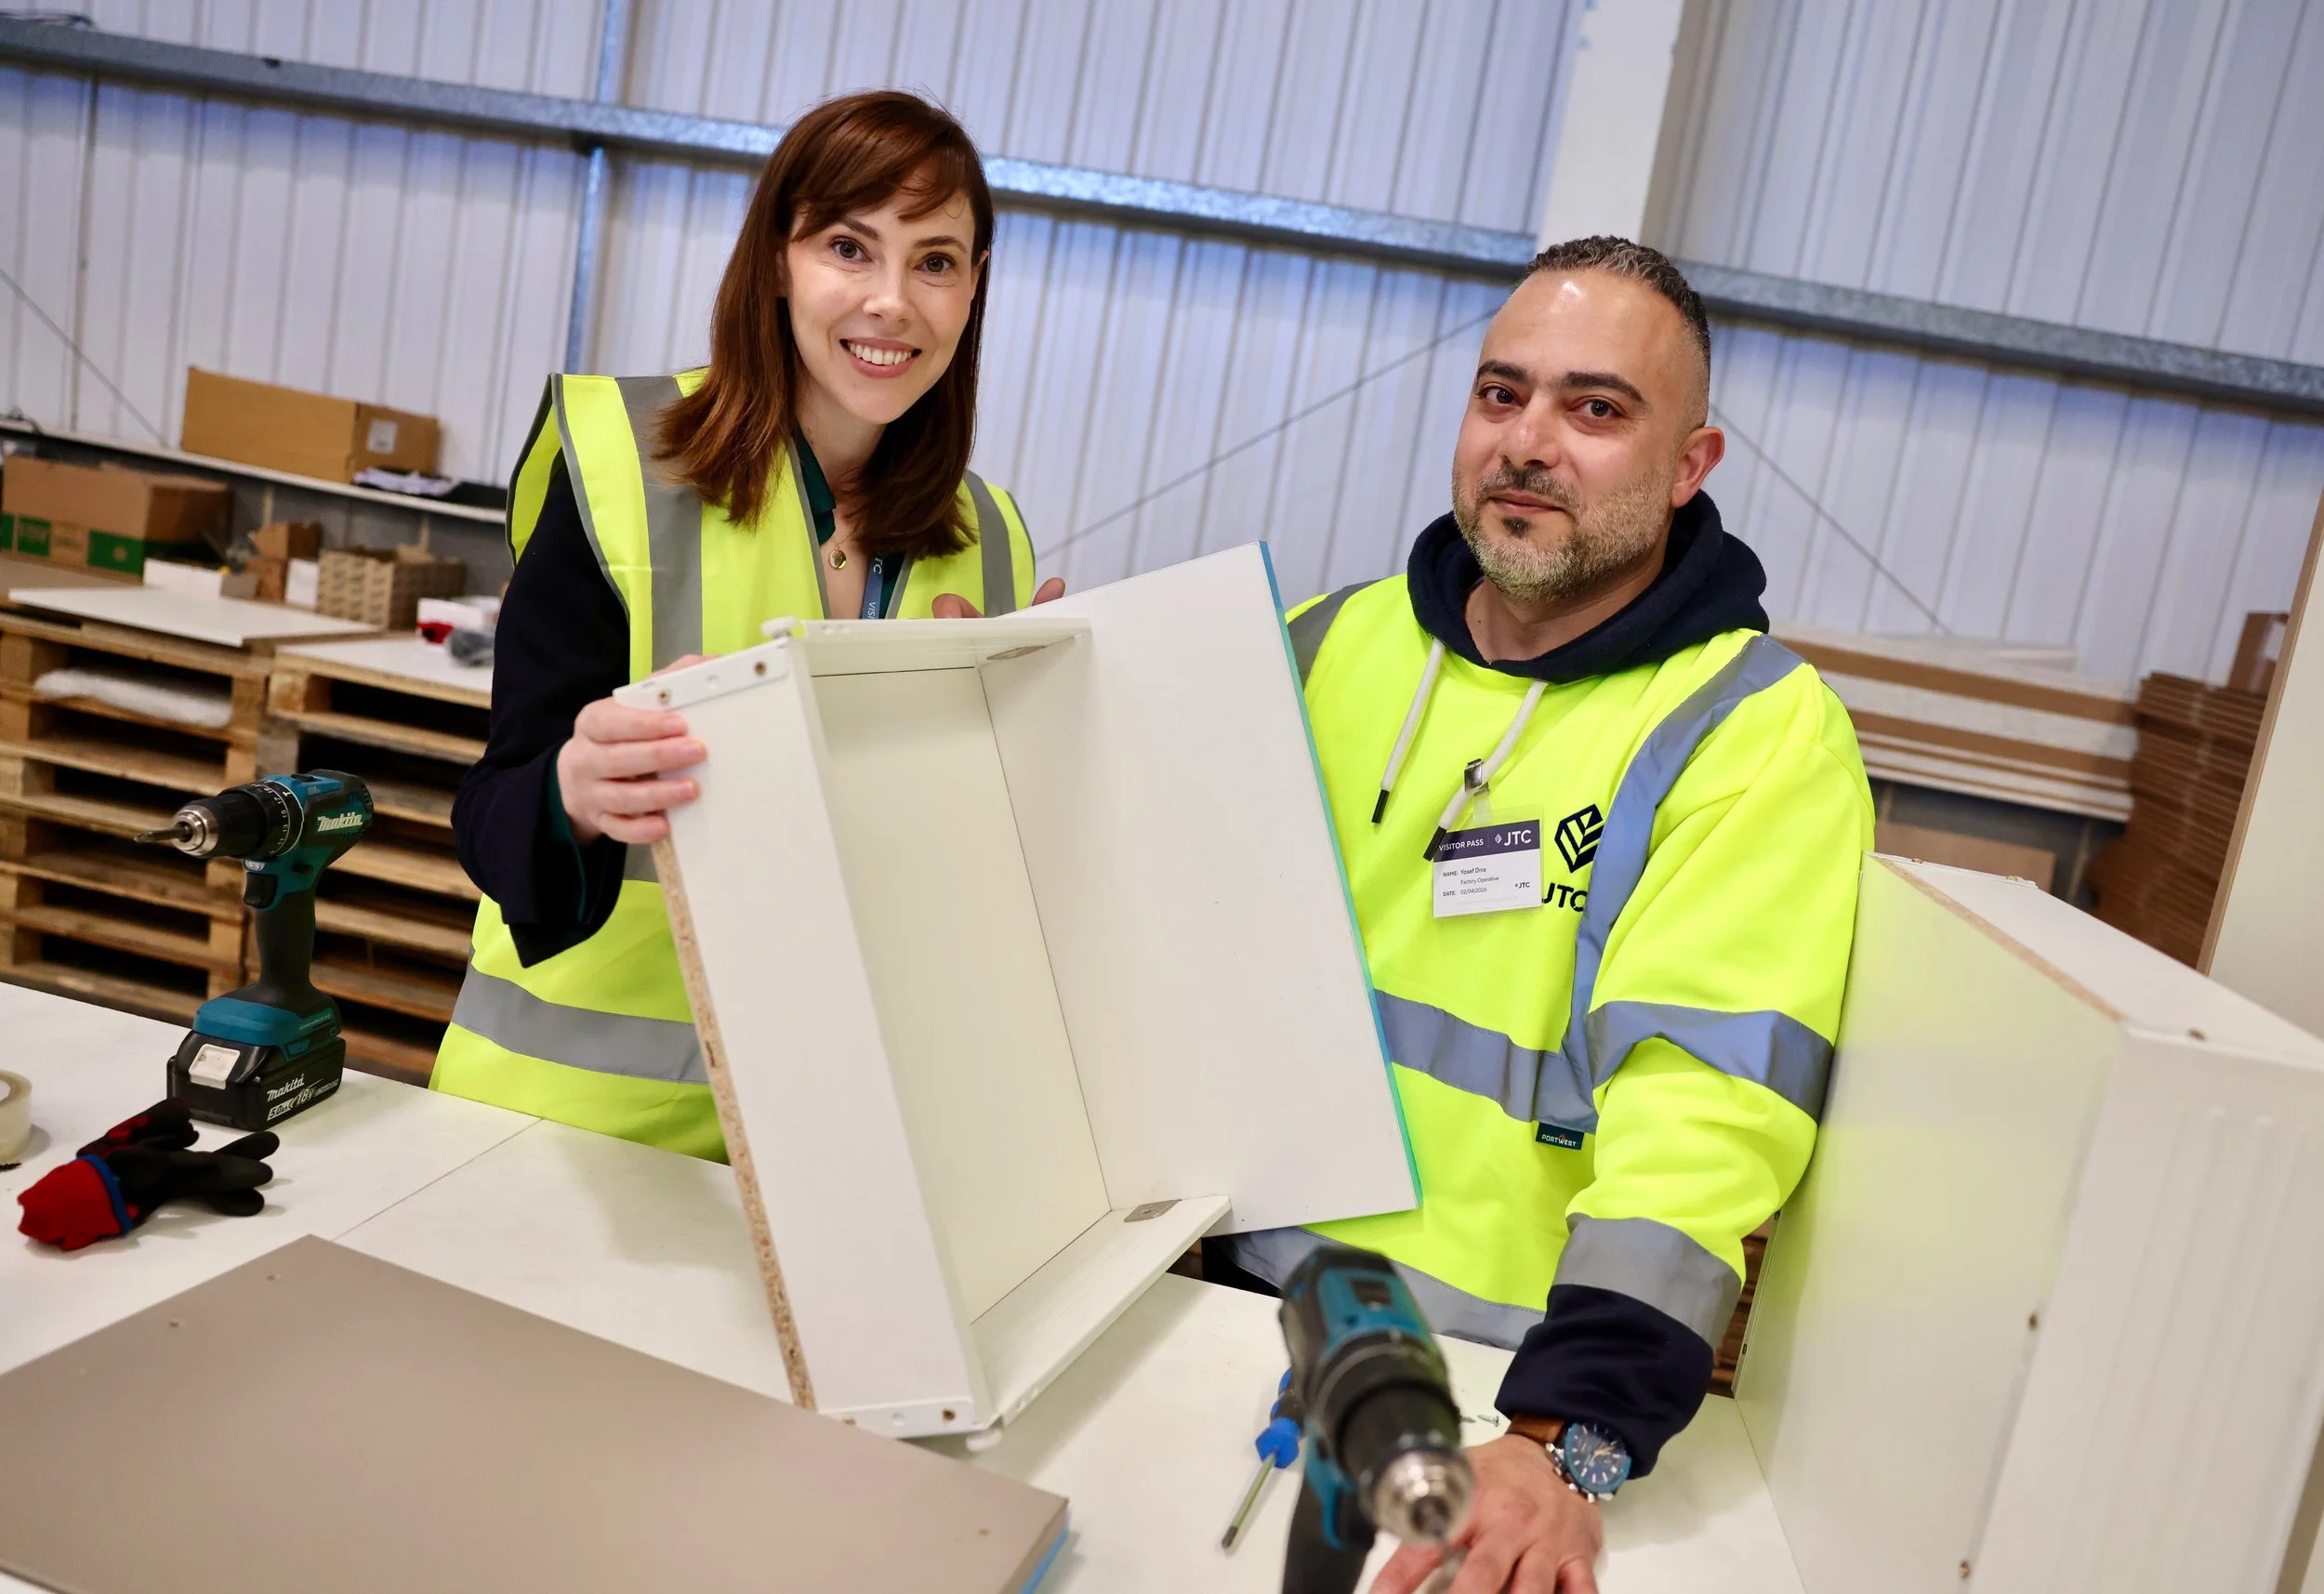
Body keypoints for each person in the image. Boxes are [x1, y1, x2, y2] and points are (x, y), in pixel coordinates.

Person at [1227, 237, 1873, 1593]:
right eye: (1498, 392)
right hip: (1243, 1321)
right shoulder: (1316, 643)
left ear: (1690, 462)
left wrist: (1565, 1440)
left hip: (1495, 1386)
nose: (1526, 442)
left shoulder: (1749, 728)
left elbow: (1707, 1114)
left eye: (1593, 408)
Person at [434, 91, 1060, 1158]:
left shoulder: (992, 544)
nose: (892, 302)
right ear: (777, 258)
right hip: (564, 1138)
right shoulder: (627, 465)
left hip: (825, 1153)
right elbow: (494, 812)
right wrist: (574, 793)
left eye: (936, 261)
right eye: (849, 247)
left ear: (975, 288)